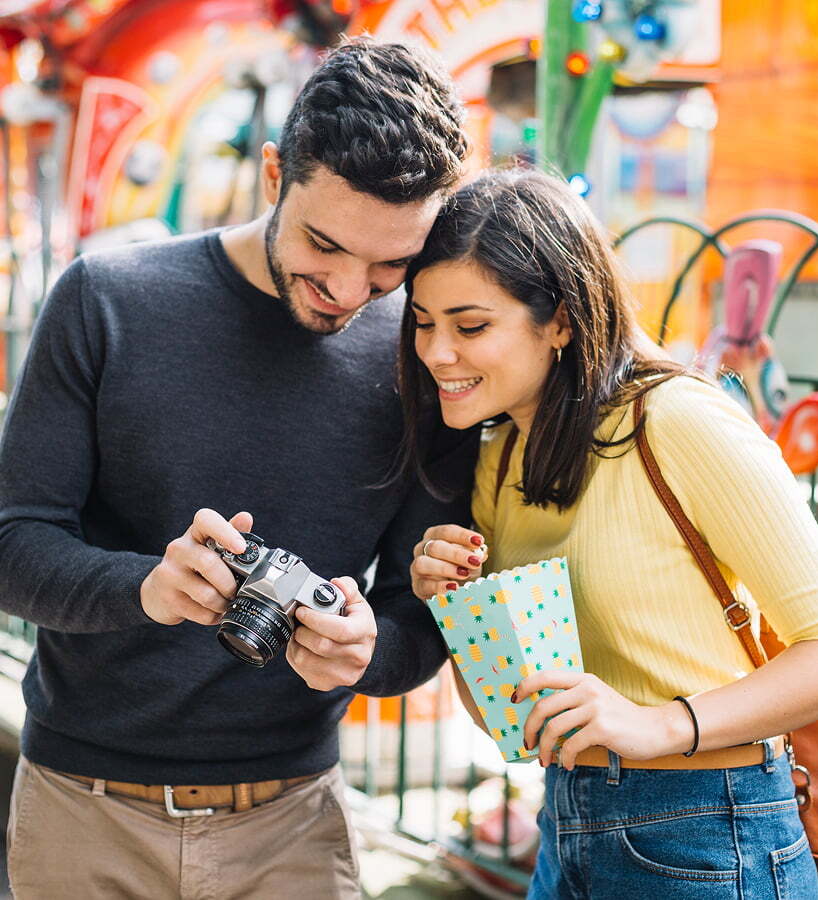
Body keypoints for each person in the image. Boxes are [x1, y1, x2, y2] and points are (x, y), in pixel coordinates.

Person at [0, 38, 478, 899]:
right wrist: (149, 587)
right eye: (324, 244)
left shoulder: (426, 352)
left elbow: (421, 618)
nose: (347, 287)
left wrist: (368, 649)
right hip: (84, 813)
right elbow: (12, 544)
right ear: (272, 176)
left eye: (390, 265)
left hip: (296, 825)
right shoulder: (104, 300)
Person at [404, 169, 818, 898]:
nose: (437, 352)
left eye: (470, 326)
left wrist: (659, 726)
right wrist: (458, 610)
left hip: (708, 831)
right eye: (422, 321)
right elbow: (512, 721)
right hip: (567, 827)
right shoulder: (501, 458)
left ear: (560, 320)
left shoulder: (676, 422)